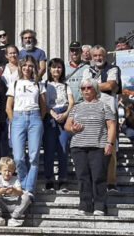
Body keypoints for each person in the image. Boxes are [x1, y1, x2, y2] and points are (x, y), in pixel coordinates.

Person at [64, 78, 116, 216]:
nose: (86, 90)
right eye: (83, 88)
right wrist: (73, 128)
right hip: (78, 147)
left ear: (95, 89)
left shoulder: (104, 106)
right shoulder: (76, 107)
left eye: (89, 87)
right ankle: (85, 205)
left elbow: (111, 126)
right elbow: (67, 126)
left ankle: (99, 206)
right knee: (83, 177)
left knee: (98, 176)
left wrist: (109, 143)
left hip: (98, 146)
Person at [5, 55, 46, 196]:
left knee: (34, 156)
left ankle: (28, 188)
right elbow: (8, 107)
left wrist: (37, 120)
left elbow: (43, 106)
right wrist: (14, 121)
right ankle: (23, 183)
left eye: (30, 66)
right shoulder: (14, 84)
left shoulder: (39, 84)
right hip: (18, 117)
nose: (27, 68)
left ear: (34, 68)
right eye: (25, 65)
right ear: (21, 67)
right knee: (18, 157)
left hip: (34, 117)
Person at [82, 45, 120, 192]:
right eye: (95, 55)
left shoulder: (113, 69)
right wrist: (97, 86)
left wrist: (93, 85)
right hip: (91, 112)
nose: (98, 58)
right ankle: (95, 182)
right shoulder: (87, 70)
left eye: (101, 55)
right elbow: (85, 88)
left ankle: (111, 183)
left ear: (105, 56)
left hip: (109, 112)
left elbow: (111, 84)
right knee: (93, 147)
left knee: (111, 147)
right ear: (91, 57)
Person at [43, 58, 74, 190]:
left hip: (64, 114)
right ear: (49, 69)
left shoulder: (66, 85)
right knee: (49, 149)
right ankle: (49, 178)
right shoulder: (45, 85)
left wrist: (65, 114)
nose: (57, 70)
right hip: (49, 115)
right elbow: (43, 103)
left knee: (63, 148)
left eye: (59, 67)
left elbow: (71, 102)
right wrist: (53, 113)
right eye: (54, 67)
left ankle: (63, 179)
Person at [0, 157, 31, 227]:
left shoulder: (15, 179)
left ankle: (14, 218)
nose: (7, 173)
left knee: (26, 197)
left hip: (14, 204)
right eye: (5, 170)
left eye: (9, 171)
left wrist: (14, 190)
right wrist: (2, 190)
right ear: (0, 170)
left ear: (13, 171)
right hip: (2, 204)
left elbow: (20, 192)